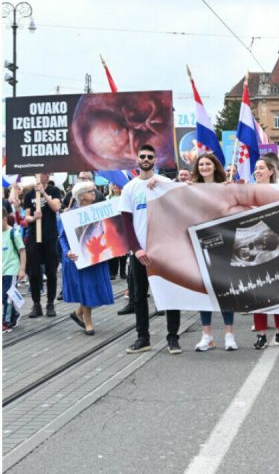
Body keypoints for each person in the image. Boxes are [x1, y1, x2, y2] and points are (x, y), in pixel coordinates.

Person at [120, 144, 185, 355]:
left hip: (164, 251)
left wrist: (166, 186)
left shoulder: (165, 183)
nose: (146, 159)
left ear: (155, 160)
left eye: (149, 156)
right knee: (139, 296)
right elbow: (127, 223)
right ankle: (143, 338)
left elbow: (183, 203)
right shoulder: (129, 188)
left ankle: (173, 338)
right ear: (137, 160)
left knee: (170, 295)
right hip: (141, 253)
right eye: (142, 156)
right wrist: (136, 249)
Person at [187, 153, 239, 351]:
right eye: (201, 164)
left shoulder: (225, 188)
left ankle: (229, 334)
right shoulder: (190, 189)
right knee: (204, 291)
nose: (205, 167)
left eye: (208, 163)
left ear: (215, 166)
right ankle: (206, 335)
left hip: (223, 244)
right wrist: (152, 183)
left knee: (226, 289)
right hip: (200, 244)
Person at [248, 157, 279, 350]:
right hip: (254, 248)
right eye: (256, 168)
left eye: (261, 168)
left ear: (270, 171)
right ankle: (261, 334)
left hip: (277, 247)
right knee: (258, 292)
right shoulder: (247, 191)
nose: (257, 171)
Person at [60, 182, 116, 336]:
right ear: (81, 196)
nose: (94, 192)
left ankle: (78, 312)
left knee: (94, 288)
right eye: (90, 191)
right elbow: (62, 238)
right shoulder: (71, 214)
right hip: (80, 258)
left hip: (96, 255)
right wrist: (67, 252)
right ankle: (88, 322)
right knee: (86, 288)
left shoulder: (98, 211)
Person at [22, 172, 64, 318]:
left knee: (51, 271)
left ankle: (50, 304)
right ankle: (36, 304)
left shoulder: (54, 191)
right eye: (42, 173)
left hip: (50, 236)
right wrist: (33, 217)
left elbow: (56, 207)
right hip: (34, 236)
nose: (45, 175)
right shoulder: (29, 195)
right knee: (34, 272)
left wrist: (44, 193)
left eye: (46, 173)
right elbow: (26, 216)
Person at [3, 207, 27, 331]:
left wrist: (22, 270)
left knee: (7, 296)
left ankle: (6, 322)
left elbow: (22, 251)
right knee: (5, 297)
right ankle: (14, 315)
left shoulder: (14, 233)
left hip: (11, 270)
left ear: (5, 219)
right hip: (2, 270)